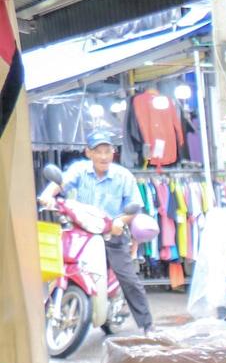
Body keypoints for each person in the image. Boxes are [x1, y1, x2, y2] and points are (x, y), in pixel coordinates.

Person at [43, 131, 154, 333]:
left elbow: (134, 205)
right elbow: (60, 183)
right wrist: (47, 195)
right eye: (98, 151)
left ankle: (147, 325)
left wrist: (120, 222)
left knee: (127, 277)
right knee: (59, 263)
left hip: (111, 233)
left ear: (113, 153)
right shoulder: (79, 170)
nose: (103, 156)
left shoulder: (123, 176)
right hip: (82, 231)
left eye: (107, 151)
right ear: (88, 153)